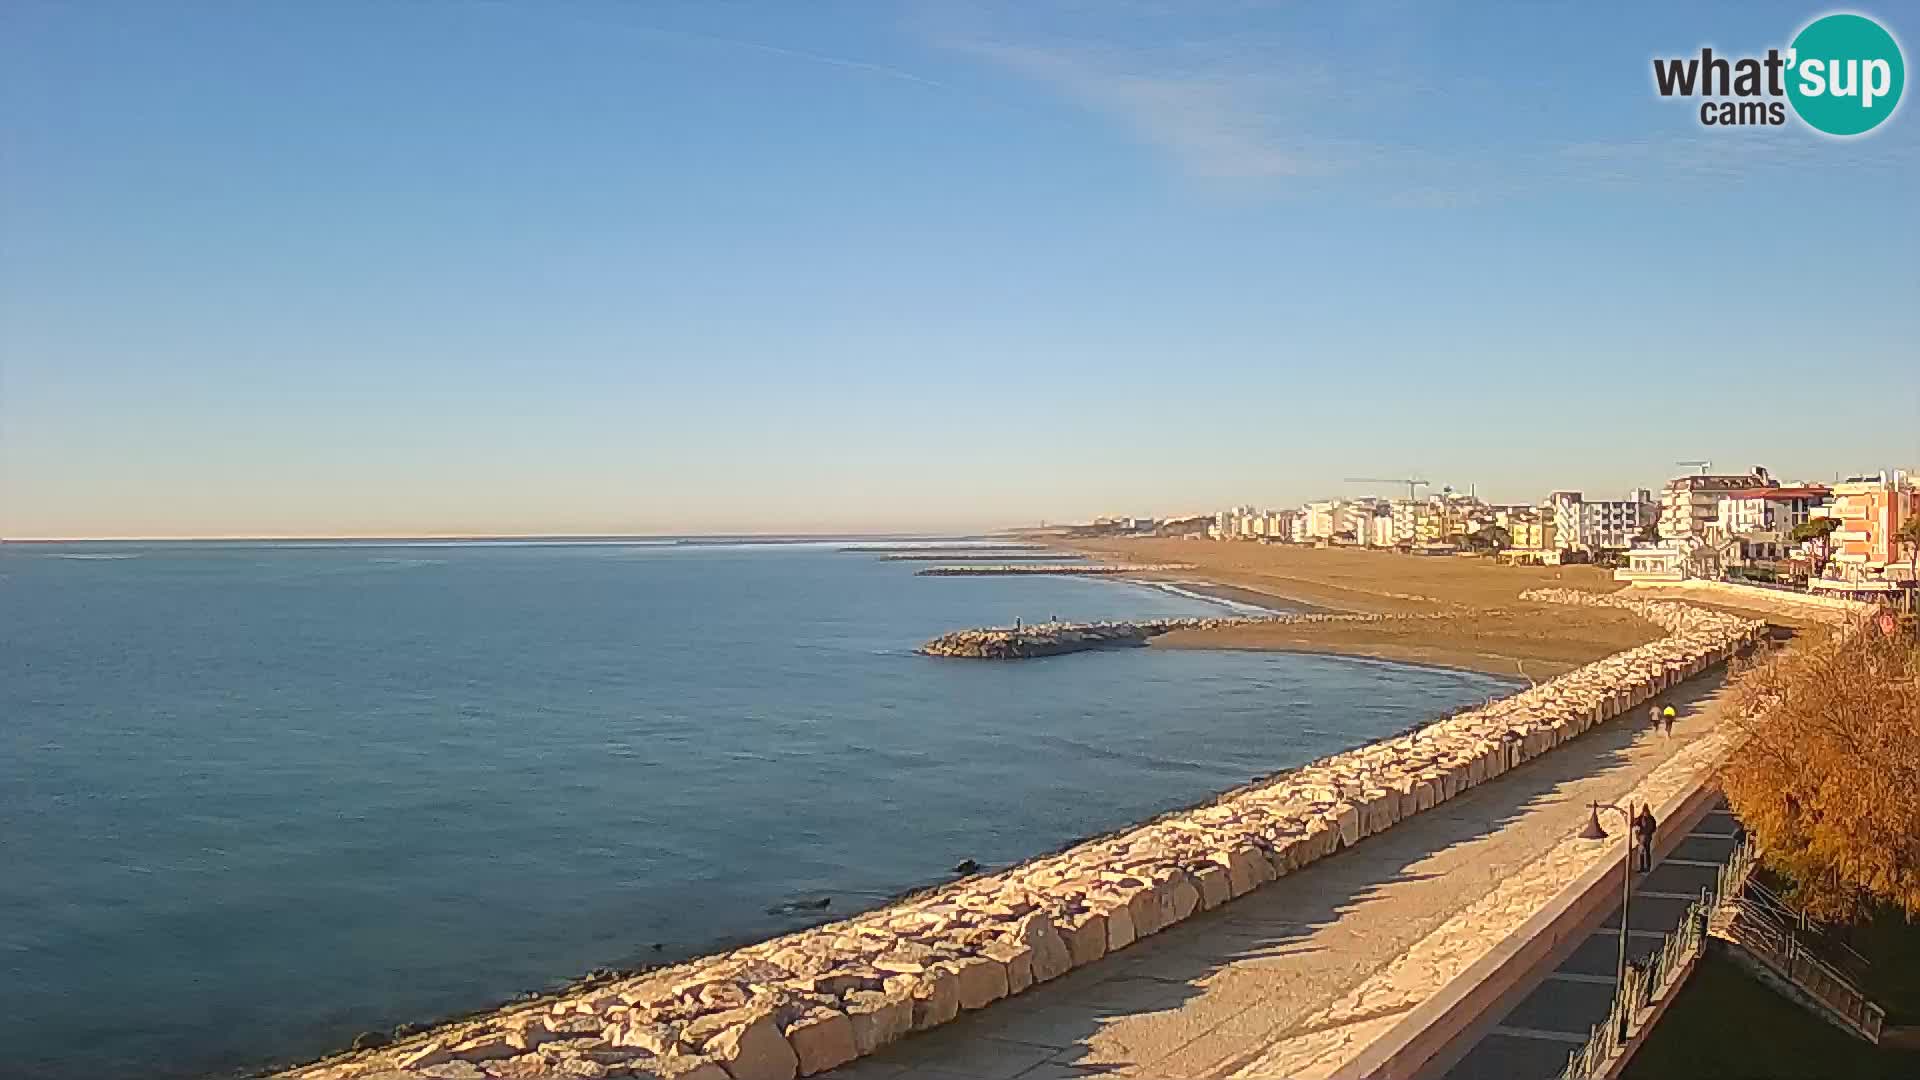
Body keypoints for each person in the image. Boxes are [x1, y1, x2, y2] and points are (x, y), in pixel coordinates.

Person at [1634, 805, 1658, 871]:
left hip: (1647, 837)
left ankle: (1648, 867)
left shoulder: (1651, 818)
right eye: (1644, 811)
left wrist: (1648, 833)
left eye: (1646, 811)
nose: (1645, 813)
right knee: (1641, 852)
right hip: (1642, 837)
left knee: (1647, 852)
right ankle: (1642, 868)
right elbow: (1635, 823)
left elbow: (1653, 828)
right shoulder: (1641, 818)